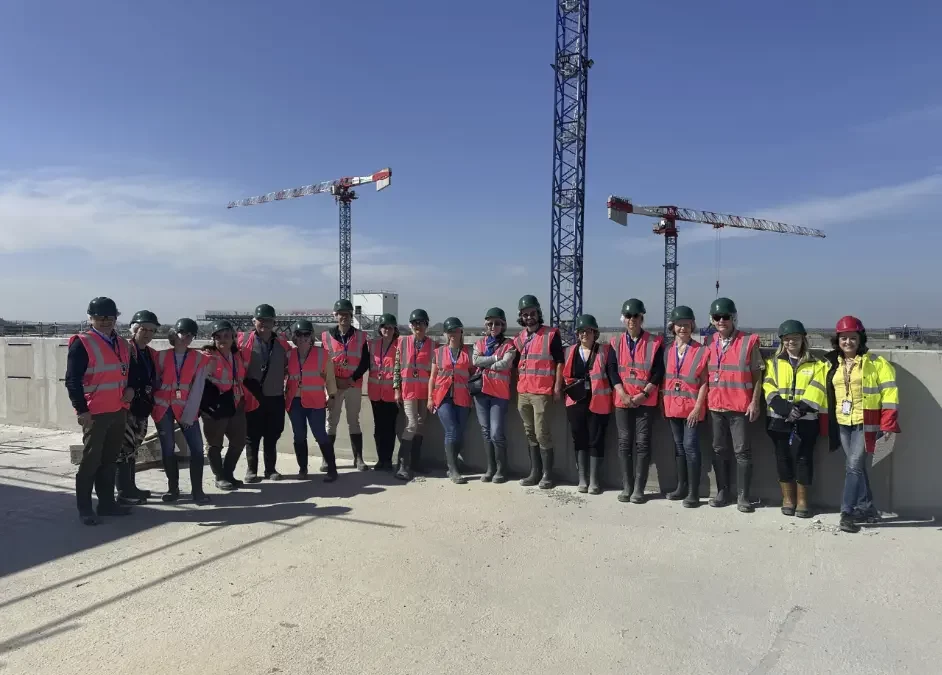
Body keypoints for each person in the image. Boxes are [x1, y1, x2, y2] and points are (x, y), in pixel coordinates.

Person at [801, 316, 901, 534]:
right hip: (842, 423)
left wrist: (888, 423)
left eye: (852, 338)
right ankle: (867, 508)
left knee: (853, 467)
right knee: (856, 467)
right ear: (837, 340)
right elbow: (817, 387)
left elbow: (890, 394)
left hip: (866, 424)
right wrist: (802, 406)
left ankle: (847, 513)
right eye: (844, 338)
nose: (848, 342)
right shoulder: (830, 364)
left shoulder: (876, 363)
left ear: (860, 339)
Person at [65, 297, 133, 525]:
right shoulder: (82, 343)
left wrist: (131, 389)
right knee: (91, 461)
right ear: (91, 318)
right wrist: (81, 410)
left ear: (116, 318)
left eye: (110, 317)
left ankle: (106, 504)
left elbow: (127, 374)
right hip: (94, 413)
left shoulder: (123, 344)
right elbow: (72, 380)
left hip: (118, 410)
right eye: (100, 317)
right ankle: (85, 509)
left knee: (110, 460)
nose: (105, 322)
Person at [705, 297, 763, 513]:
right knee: (719, 450)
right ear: (712, 320)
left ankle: (743, 496)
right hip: (716, 406)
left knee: (742, 452)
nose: (722, 321)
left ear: (733, 318)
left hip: (739, 407)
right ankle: (722, 492)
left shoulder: (748, 342)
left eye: (726, 317)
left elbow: (758, 376)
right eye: (717, 318)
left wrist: (755, 402)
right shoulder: (708, 342)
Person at [762, 320, 823, 519]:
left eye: (795, 338)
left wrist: (800, 409)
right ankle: (788, 499)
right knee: (783, 457)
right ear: (782, 341)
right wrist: (784, 409)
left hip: (807, 418)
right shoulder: (773, 363)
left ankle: (803, 502)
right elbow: (768, 386)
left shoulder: (817, 364)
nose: (791, 342)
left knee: (804, 458)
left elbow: (818, 388)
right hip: (779, 417)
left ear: (803, 339)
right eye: (787, 339)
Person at [610, 299, 665, 504]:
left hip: (645, 401)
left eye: (635, 316)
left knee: (642, 443)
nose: (631, 320)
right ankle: (627, 486)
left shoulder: (654, 342)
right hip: (623, 400)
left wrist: (644, 394)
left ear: (642, 318)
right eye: (628, 316)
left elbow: (659, 371)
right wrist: (622, 394)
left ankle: (639, 489)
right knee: (624, 443)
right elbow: (612, 371)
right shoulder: (616, 342)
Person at [154, 318, 211, 504]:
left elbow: (200, 385)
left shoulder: (199, 358)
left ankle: (198, 492)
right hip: (163, 408)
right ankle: (173, 490)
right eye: (183, 333)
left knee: (196, 450)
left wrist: (190, 412)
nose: (187, 338)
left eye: (191, 335)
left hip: (187, 408)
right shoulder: (160, 356)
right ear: (174, 333)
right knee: (168, 450)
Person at [562, 315, 619, 495]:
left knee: (596, 439)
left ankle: (594, 480)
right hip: (576, 401)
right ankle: (582, 479)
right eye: (581, 331)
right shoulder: (570, 351)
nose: (584, 334)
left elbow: (611, 375)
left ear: (595, 333)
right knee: (579, 438)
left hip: (598, 402)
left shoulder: (605, 351)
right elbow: (566, 375)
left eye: (588, 331)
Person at [513, 295, 565, 489]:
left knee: (542, 432)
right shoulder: (519, 338)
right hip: (523, 391)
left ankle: (547, 475)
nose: (529, 317)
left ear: (538, 313)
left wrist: (557, 386)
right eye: (525, 314)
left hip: (542, 391)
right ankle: (534, 472)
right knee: (529, 433)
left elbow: (560, 361)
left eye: (532, 313)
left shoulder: (551, 335)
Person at [660, 306, 708, 508]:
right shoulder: (668, 351)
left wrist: (698, 408)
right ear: (673, 327)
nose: (683, 328)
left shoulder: (701, 351)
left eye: (687, 325)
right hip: (673, 406)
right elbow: (666, 379)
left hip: (691, 408)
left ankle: (693, 493)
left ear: (692, 326)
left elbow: (705, 382)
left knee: (690, 447)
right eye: (679, 325)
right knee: (679, 448)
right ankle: (681, 487)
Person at [238, 304, 291, 482]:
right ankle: (251, 471)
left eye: (268, 320)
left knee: (272, 434)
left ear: (274, 322)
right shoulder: (243, 340)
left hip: (275, 396)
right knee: (252, 436)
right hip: (253, 396)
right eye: (261, 320)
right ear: (254, 321)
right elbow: (224, 352)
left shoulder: (282, 343)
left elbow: (291, 362)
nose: (264, 324)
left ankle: (270, 469)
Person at [115, 310, 161, 505]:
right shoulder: (126, 350)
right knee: (123, 450)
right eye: (144, 329)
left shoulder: (149, 353)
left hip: (142, 407)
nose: (148, 334)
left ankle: (131, 487)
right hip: (127, 408)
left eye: (152, 330)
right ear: (134, 329)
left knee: (133, 449)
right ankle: (124, 492)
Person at [284, 319, 339, 481]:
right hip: (295, 402)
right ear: (294, 337)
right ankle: (303, 469)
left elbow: (330, 379)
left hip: (316, 402)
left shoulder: (322, 354)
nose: (303, 338)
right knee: (299, 436)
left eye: (306, 335)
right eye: (299, 335)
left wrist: (332, 396)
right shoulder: (290, 355)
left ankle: (332, 469)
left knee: (320, 435)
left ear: (311, 336)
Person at [322, 299, 371, 471]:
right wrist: (335, 381)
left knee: (354, 421)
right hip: (334, 385)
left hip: (353, 385)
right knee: (331, 421)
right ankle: (327, 460)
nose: (344, 317)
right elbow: (323, 362)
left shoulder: (361, 337)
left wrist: (350, 379)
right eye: (340, 314)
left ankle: (358, 459)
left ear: (351, 316)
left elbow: (365, 362)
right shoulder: (326, 336)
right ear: (335, 316)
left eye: (347, 314)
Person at [200, 320, 249, 491]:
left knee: (239, 441)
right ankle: (219, 477)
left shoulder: (237, 356)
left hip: (235, 404)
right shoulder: (207, 357)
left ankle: (228, 473)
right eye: (218, 336)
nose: (223, 339)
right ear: (213, 339)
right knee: (215, 443)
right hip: (216, 407)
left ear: (233, 337)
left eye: (227, 335)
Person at [471, 307, 517, 483]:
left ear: (503, 325)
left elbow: (506, 364)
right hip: (481, 393)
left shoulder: (509, 344)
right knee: (485, 431)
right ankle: (490, 468)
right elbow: (475, 360)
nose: (493, 326)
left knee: (496, 432)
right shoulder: (480, 343)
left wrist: (487, 362)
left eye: (497, 323)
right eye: (490, 323)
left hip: (499, 393)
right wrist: (496, 359)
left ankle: (501, 469)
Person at [428, 317, 475, 484]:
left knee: (459, 432)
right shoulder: (438, 352)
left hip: (463, 397)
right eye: (450, 332)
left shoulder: (469, 352)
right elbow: (433, 377)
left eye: (456, 331)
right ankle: (453, 469)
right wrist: (430, 398)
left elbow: (474, 373)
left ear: (461, 332)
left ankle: (452, 466)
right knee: (451, 430)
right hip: (442, 397)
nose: (453, 334)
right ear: (445, 334)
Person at [393, 309, 437, 481]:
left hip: (425, 392)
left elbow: (435, 371)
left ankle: (416, 463)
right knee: (411, 424)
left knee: (420, 424)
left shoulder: (433, 345)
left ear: (427, 325)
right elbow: (397, 367)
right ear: (411, 326)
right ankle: (402, 466)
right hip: (408, 390)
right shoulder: (402, 342)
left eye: (421, 323)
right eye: (415, 323)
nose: (418, 326)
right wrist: (396, 389)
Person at [367, 314, 400, 471]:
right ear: (380, 329)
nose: (387, 329)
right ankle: (380, 459)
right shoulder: (372, 344)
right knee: (378, 428)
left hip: (391, 394)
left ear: (395, 329)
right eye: (384, 327)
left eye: (390, 327)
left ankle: (387, 459)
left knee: (390, 428)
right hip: (375, 393)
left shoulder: (399, 345)